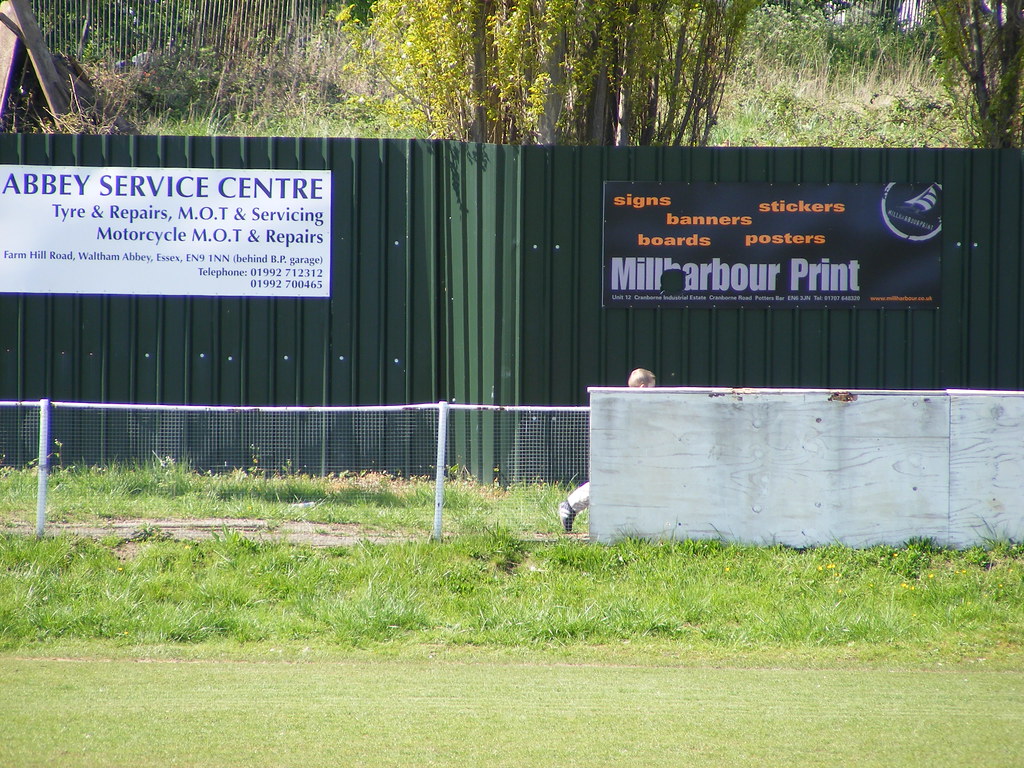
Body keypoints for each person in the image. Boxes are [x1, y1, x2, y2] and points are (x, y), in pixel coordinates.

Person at [558, 367, 656, 532]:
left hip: (631, 454)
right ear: (643, 387)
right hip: (623, 454)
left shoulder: (628, 405)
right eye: (652, 388)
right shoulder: (628, 404)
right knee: (607, 482)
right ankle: (570, 506)